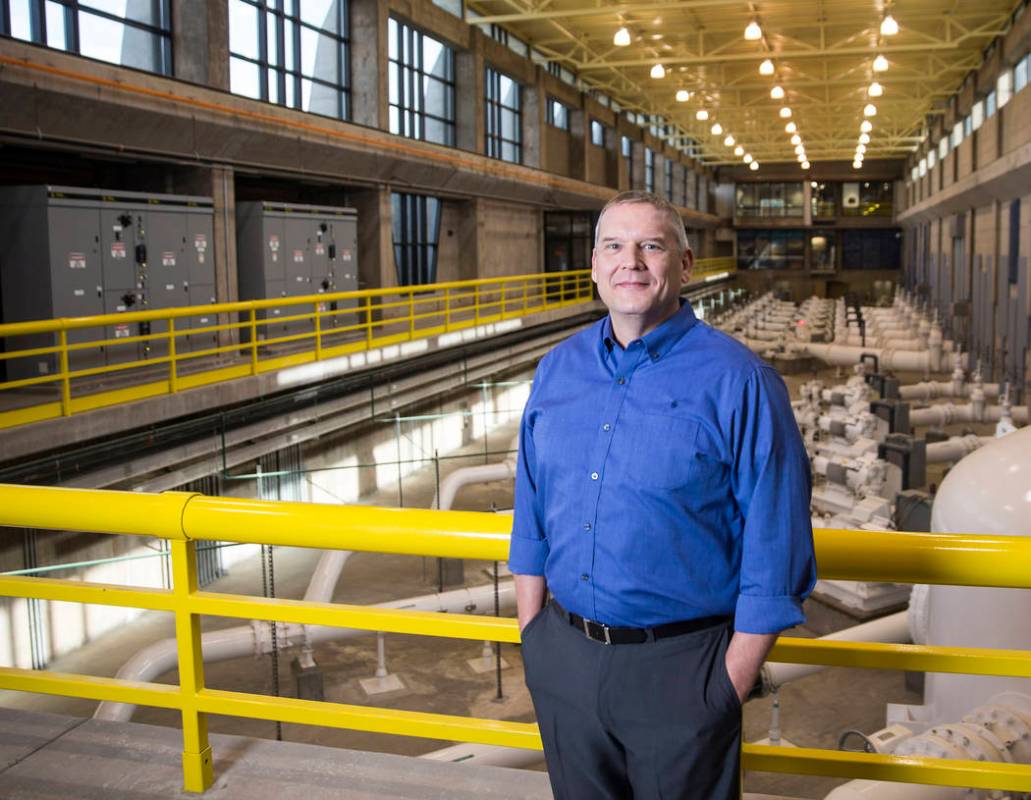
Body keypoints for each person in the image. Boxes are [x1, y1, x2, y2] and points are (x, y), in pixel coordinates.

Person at [509, 191, 816, 800]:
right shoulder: (557, 370)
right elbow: (533, 511)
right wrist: (534, 637)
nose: (633, 262)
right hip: (564, 660)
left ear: (685, 263)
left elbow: (776, 548)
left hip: (684, 671)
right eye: (615, 246)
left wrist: (726, 685)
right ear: (594, 265)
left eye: (651, 245)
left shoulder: (742, 384)